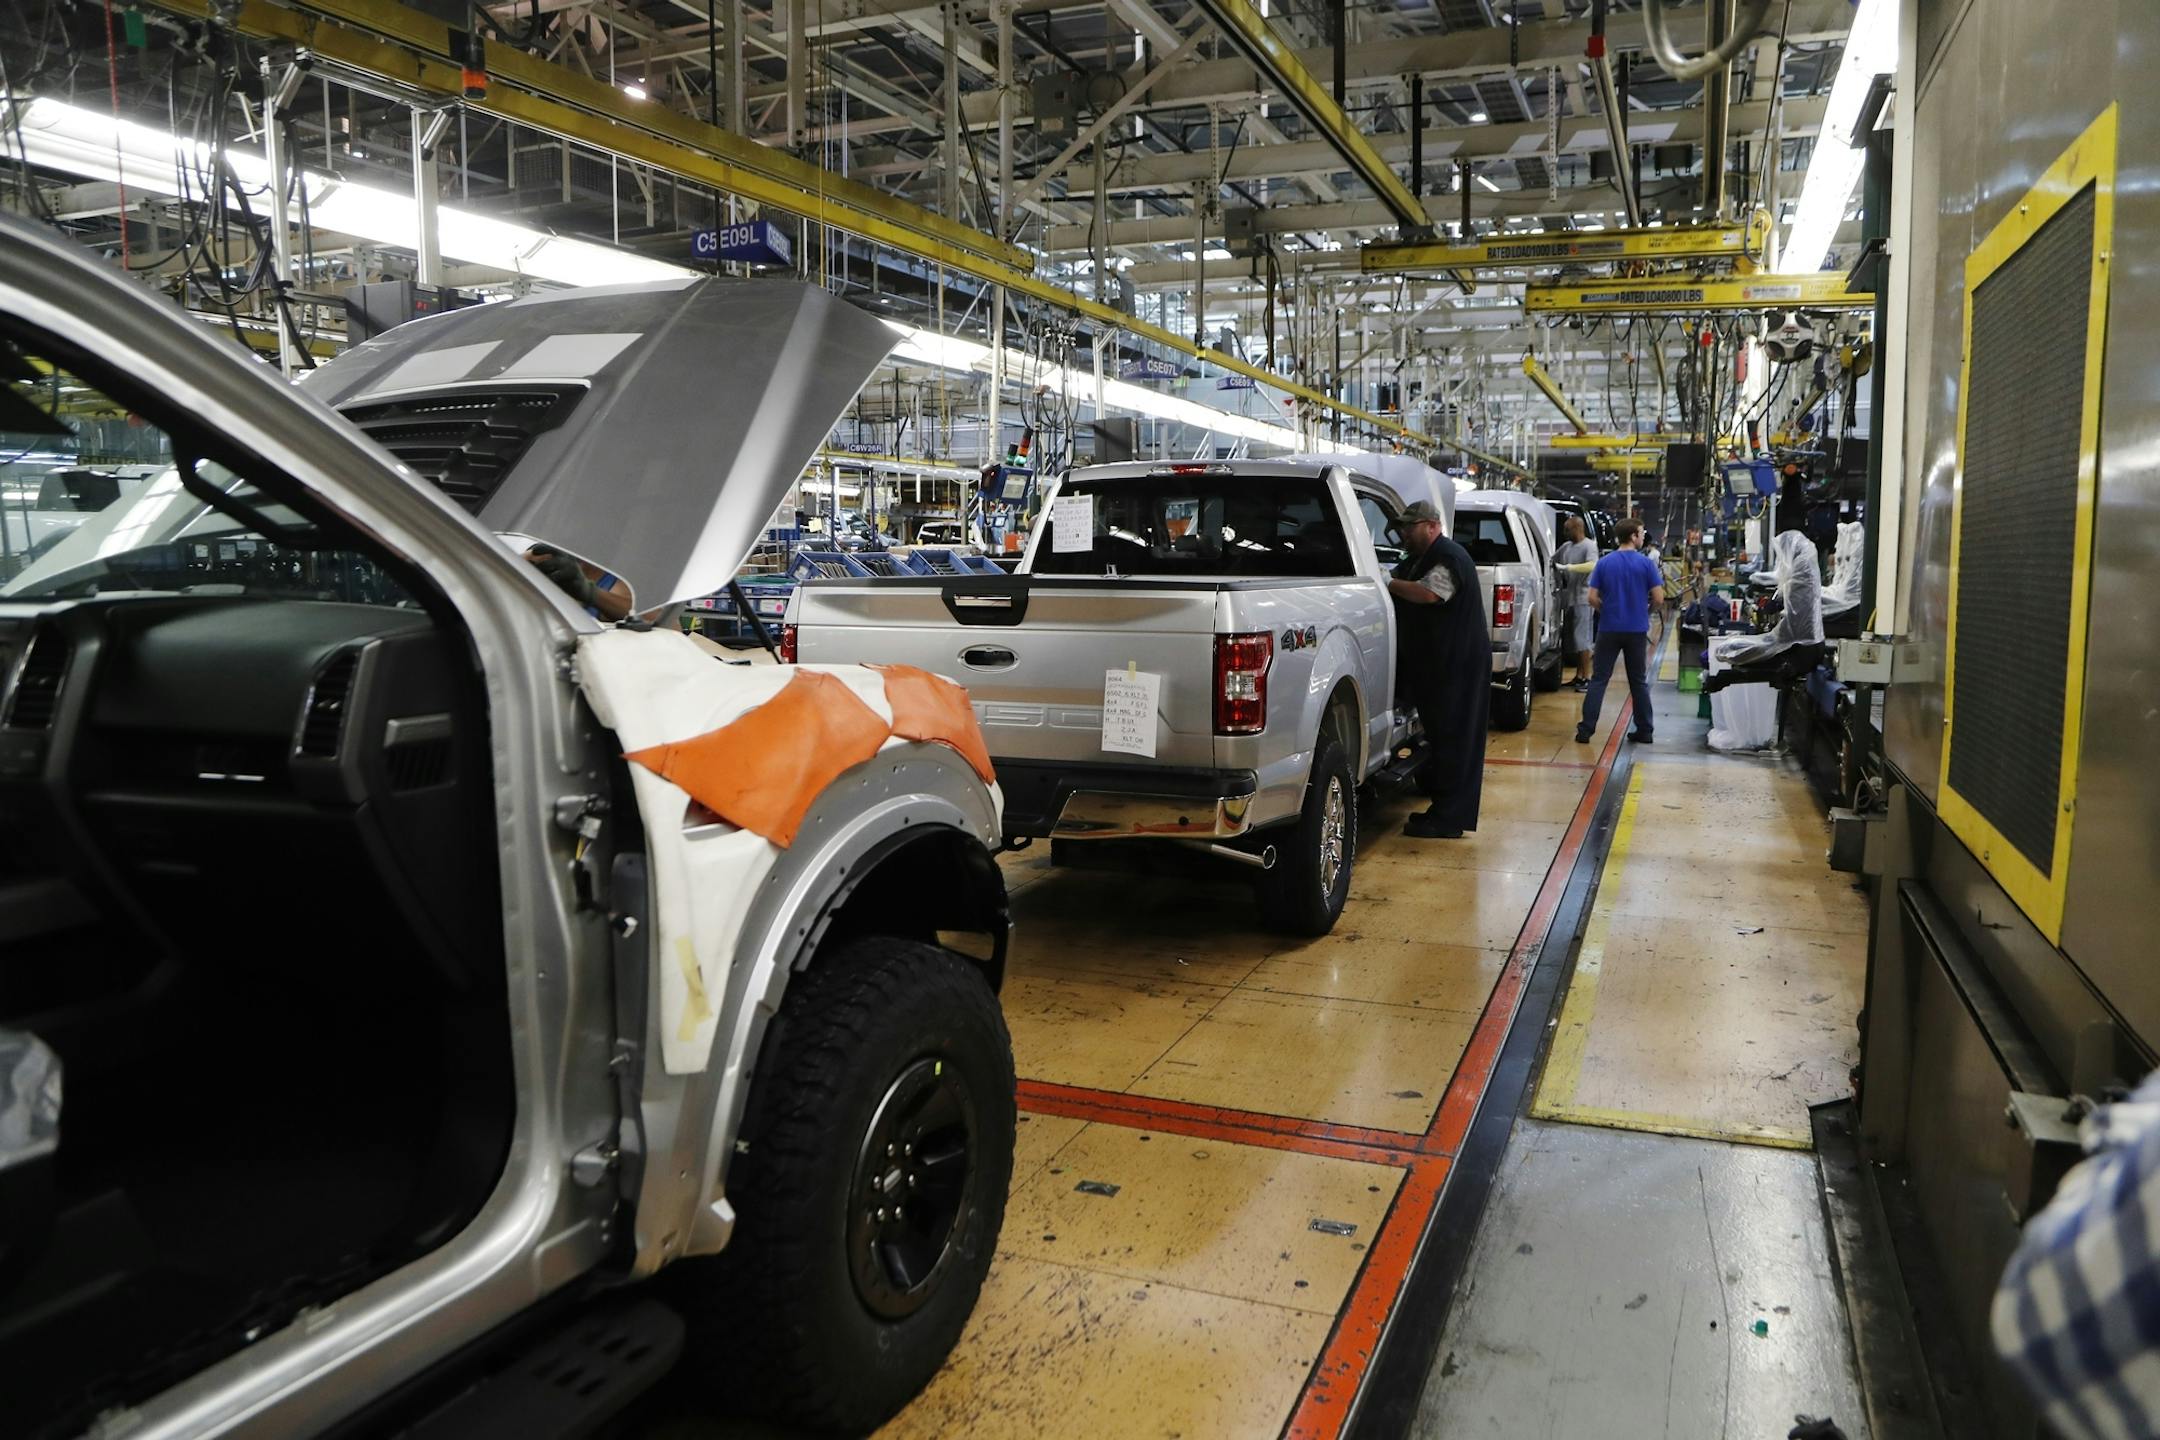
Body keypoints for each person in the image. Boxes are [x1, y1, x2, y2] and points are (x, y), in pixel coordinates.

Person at [1385, 501, 1487, 839]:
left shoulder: (1450, 557)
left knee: (1456, 739)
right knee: (1443, 740)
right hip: (1441, 667)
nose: (1404, 533)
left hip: (1458, 666)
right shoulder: (1419, 558)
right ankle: (1443, 810)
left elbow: (1428, 593)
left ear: (1431, 525)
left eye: (1410, 527)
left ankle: (1449, 819)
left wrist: (1385, 583)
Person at [1575, 519, 1665, 746]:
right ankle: (1644, 730)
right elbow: (1659, 598)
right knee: (1638, 681)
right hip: (1636, 630)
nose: (1643, 537)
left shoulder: (1604, 563)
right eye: (1641, 533)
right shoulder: (1646, 564)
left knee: (1598, 680)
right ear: (1633, 536)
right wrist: (1645, 612)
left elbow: (1592, 597)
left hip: (1609, 629)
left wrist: (1606, 611)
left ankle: (1585, 730)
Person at [1554, 515, 1599, 691]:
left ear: (1578, 528)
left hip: (1583, 599)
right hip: (1570, 599)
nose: (1565, 533)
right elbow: (1553, 559)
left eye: (1567, 529)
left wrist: (1568, 568)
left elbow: (1592, 566)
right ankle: (1578, 676)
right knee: (1574, 640)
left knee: (1583, 640)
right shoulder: (1566, 547)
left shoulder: (1589, 545)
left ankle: (1586, 678)